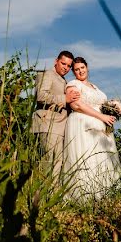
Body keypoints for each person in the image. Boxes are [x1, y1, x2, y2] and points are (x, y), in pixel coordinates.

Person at [63, 57, 121, 201]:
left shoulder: (94, 87)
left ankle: (106, 196)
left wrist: (115, 108)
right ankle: (86, 198)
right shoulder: (73, 84)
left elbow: (102, 104)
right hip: (83, 125)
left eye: (82, 68)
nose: (80, 71)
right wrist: (101, 117)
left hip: (101, 128)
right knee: (88, 157)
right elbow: (76, 105)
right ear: (73, 72)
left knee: (102, 158)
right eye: (76, 69)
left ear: (87, 67)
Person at [32, 50, 80, 180]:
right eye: (63, 63)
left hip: (60, 127)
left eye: (69, 66)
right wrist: (65, 99)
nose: (66, 68)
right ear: (56, 61)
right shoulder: (48, 74)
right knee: (49, 164)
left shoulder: (63, 80)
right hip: (48, 125)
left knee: (57, 165)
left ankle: (53, 197)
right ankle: (43, 198)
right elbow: (41, 96)